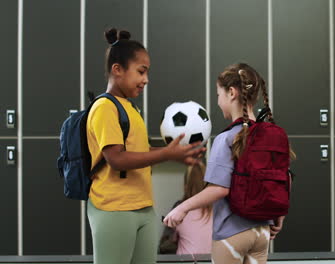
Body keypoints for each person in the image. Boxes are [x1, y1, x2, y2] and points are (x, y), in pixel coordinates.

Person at [86, 28, 205, 264]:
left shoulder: (131, 108)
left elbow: (137, 152)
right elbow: (116, 158)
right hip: (113, 208)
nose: (146, 80)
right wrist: (165, 154)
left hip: (143, 207)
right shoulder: (104, 108)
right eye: (141, 72)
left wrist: (173, 155)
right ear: (117, 69)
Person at [164, 63, 292, 264]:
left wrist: (182, 208)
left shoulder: (226, 139)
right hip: (262, 233)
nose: (218, 101)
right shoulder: (269, 134)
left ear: (231, 93)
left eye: (218, 94)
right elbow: (284, 178)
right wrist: (279, 216)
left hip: (232, 234)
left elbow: (219, 189)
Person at [158, 162, 213, 255]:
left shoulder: (179, 208)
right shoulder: (218, 208)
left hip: (185, 260)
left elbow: (166, 245)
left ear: (186, 185)